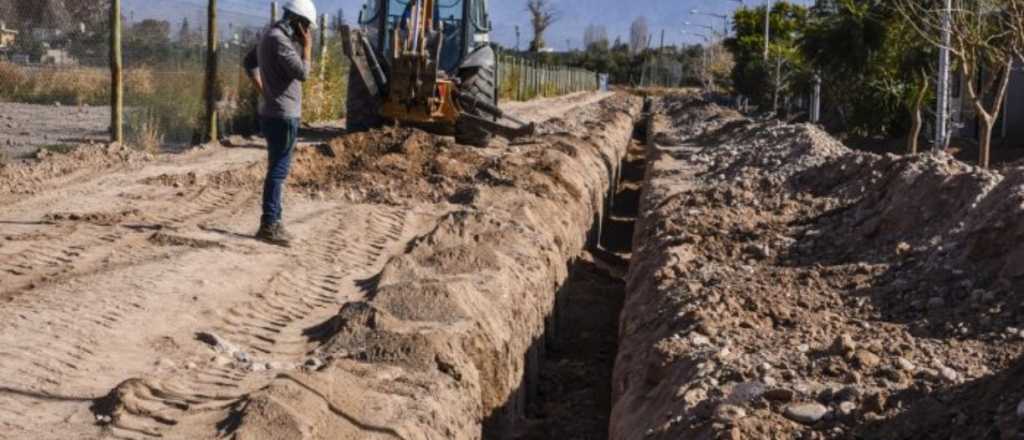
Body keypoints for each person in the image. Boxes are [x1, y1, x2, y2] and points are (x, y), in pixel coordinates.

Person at [243, 0, 317, 247]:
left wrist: (265, 91)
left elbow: (248, 63)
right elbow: (303, 73)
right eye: (305, 27)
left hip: (275, 113)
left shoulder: (268, 36)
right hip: (282, 116)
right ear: (296, 21)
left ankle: (274, 220)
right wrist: (307, 49)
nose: (305, 32)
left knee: (277, 168)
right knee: (278, 171)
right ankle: (269, 224)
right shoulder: (279, 40)